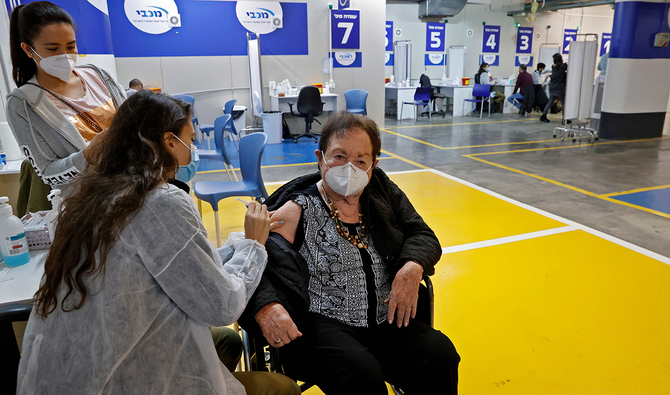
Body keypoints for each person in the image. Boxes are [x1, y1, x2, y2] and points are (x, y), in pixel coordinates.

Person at [16, 91, 300, 395]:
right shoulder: (160, 203)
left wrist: (239, 241)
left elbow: (179, 261)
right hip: (122, 379)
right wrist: (254, 246)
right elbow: (222, 306)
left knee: (227, 343)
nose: (193, 148)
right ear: (168, 142)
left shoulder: (94, 194)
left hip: (71, 370)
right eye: (190, 139)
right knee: (280, 389)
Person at [240, 112, 460, 395]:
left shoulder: (380, 193)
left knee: (439, 353)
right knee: (361, 374)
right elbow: (250, 259)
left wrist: (412, 266)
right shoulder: (297, 210)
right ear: (320, 158)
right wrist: (265, 305)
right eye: (339, 156)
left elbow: (423, 235)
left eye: (360, 160)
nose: (350, 168)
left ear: (373, 165)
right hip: (323, 326)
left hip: (385, 318)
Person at [6, 1, 126, 214]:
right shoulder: (24, 103)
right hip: (90, 209)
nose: (65, 55)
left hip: (136, 189)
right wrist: (87, 156)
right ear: (28, 49)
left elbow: (133, 121)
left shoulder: (99, 76)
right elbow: (47, 173)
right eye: (52, 48)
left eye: (71, 46)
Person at [540, 53, 568, 123]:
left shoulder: (553, 67)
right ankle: (565, 118)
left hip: (552, 87)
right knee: (563, 103)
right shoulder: (564, 66)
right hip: (560, 88)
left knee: (550, 101)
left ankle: (543, 115)